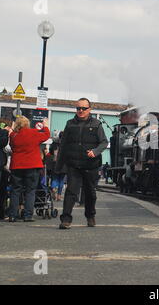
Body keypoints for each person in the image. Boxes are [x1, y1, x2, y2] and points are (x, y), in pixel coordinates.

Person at [56, 98, 108, 229]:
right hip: (74, 164)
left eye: (83, 108)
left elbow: (104, 142)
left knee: (90, 193)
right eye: (78, 108)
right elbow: (63, 145)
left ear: (89, 109)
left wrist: (95, 152)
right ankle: (66, 219)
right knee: (70, 192)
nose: (80, 111)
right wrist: (59, 166)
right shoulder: (70, 124)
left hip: (91, 165)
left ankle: (90, 216)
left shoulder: (97, 124)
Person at [8, 116, 50, 222]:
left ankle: (13, 215)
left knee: (15, 190)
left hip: (17, 166)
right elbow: (46, 135)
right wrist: (45, 126)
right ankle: (28, 215)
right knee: (30, 191)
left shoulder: (13, 135)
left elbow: (12, 147)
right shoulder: (33, 133)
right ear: (27, 124)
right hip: (32, 165)